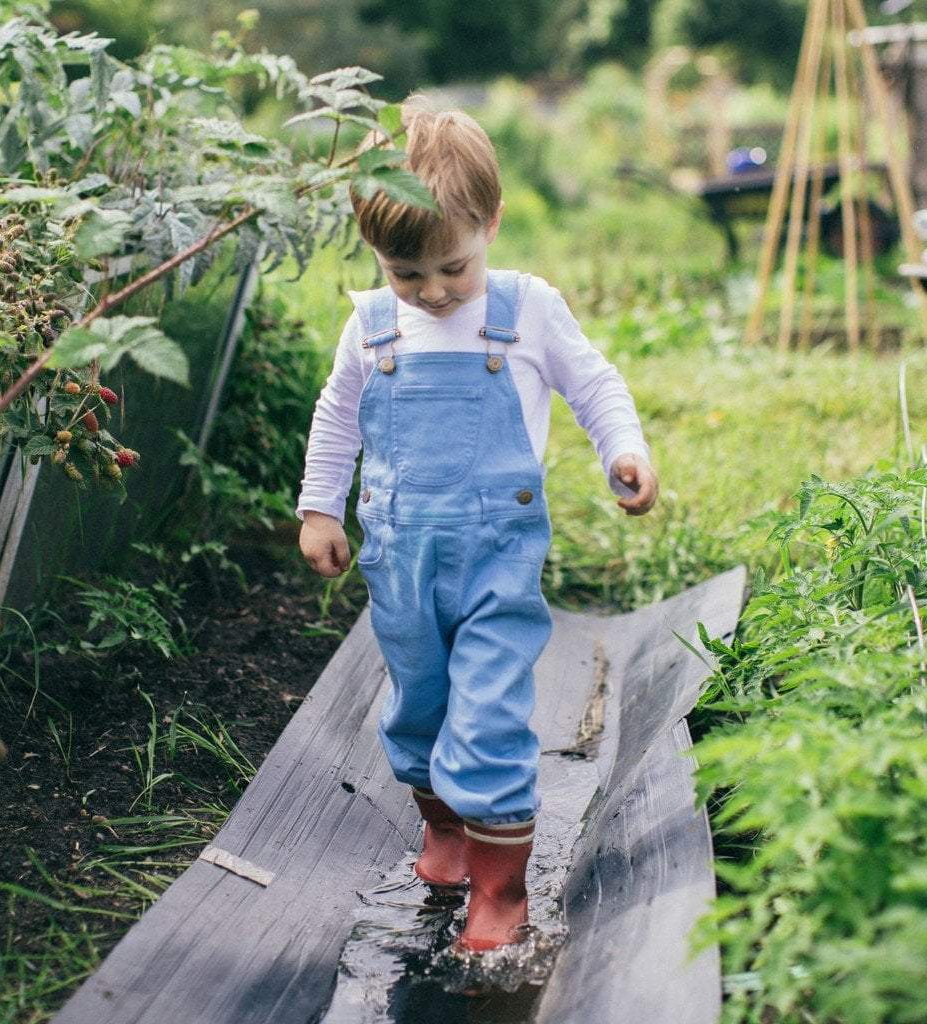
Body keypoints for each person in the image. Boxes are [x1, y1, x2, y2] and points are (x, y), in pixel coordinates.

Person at [295, 95, 659, 953]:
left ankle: (502, 892)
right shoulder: (372, 325)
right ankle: (448, 837)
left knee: (489, 713)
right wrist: (319, 505)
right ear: (375, 254)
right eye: (404, 272)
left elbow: (594, 384)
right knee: (417, 710)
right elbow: (338, 413)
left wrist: (624, 450)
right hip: (400, 560)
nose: (431, 292)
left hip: (496, 562)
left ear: (490, 223)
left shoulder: (526, 309)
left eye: (452, 269)